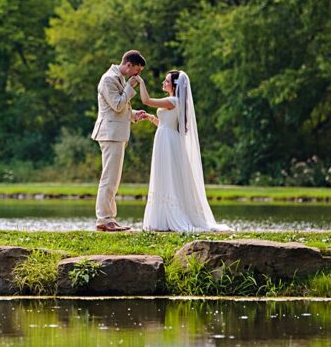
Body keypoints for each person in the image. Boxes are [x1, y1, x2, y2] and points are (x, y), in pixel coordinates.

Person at [137, 69, 230, 232]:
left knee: (167, 175)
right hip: (166, 137)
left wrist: (141, 82)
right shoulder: (175, 102)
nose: (163, 83)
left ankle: (168, 217)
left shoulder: (172, 100)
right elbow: (167, 124)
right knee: (166, 174)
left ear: (174, 85)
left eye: (166, 81)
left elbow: (146, 100)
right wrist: (152, 118)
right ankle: (162, 218)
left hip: (167, 141)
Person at [90, 50, 155, 232]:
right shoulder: (109, 79)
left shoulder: (118, 78)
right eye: (137, 70)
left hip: (117, 133)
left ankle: (109, 217)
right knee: (109, 178)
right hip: (110, 134)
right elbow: (117, 105)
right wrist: (130, 86)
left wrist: (135, 114)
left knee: (114, 178)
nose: (137, 75)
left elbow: (120, 107)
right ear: (129, 65)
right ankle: (104, 219)